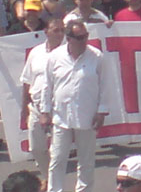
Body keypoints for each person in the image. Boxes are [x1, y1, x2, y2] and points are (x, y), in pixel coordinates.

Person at [40, 20, 109, 192]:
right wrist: (44, 111)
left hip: (87, 116)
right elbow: (47, 85)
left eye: (85, 36)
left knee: (86, 161)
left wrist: (101, 112)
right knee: (57, 159)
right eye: (79, 37)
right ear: (69, 38)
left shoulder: (97, 56)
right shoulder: (55, 56)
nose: (84, 40)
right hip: (61, 116)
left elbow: (105, 85)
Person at [20, 18, 65, 182]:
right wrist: (24, 108)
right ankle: (48, 179)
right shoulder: (35, 52)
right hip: (36, 107)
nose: (60, 34)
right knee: (36, 148)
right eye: (56, 30)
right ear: (46, 32)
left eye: (62, 30)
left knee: (57, 152)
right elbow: (27, 80)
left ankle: (55, 185)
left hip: (58, 108)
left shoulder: (68, 53)